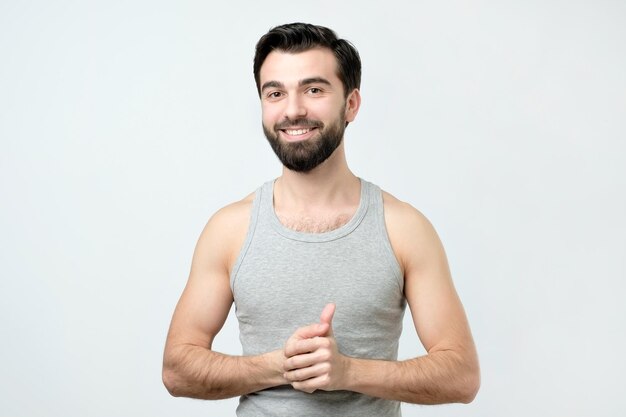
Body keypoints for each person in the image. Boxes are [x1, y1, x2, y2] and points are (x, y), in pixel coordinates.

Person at [162, 22, 480, 416]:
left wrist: (348, 371)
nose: (293, 110)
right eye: (275, 93)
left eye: (313, 90)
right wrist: (277, 365)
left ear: (351, 104)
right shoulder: (229, 229)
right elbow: (177, 370)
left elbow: (461, 376)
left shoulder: (404, 228)